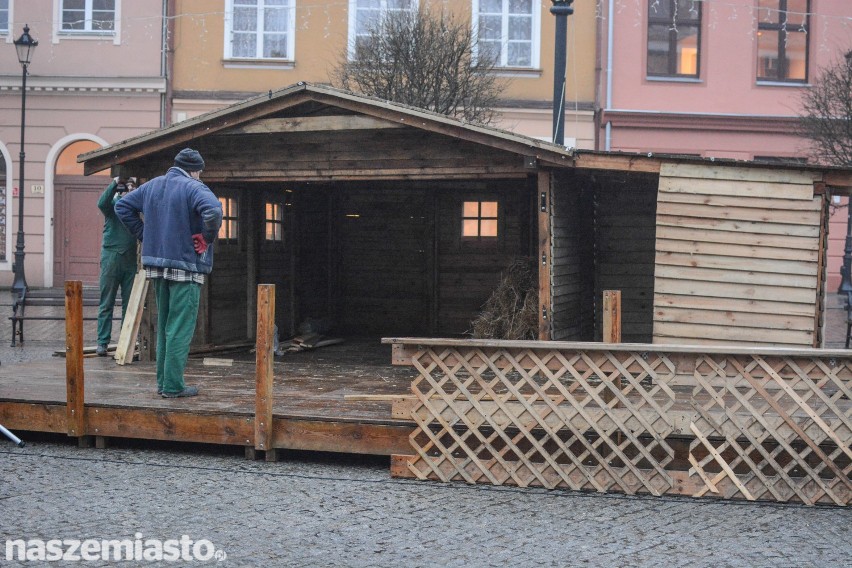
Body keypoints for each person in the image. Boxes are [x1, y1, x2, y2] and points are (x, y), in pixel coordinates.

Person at [115, 149, 222, 398]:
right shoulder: (194, 187)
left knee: (164, 325)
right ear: (195, 170)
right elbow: (214, 212)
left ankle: (164, 384)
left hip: (156, 267)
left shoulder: (152, 185)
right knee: (180, 328)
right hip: (185, 267)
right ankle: (173, 386)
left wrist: (145, 234)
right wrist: (206, 238)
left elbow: (122, 207)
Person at [96, 177, 138, 357]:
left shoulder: (135, 207)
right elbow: (101, 202)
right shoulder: (112, 205)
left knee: (129, 305)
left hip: (129, 259)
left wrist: (133, 188)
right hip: (111, 257)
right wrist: (115, 183)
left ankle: (125, 340)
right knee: (107, 303)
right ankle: (102, 342)